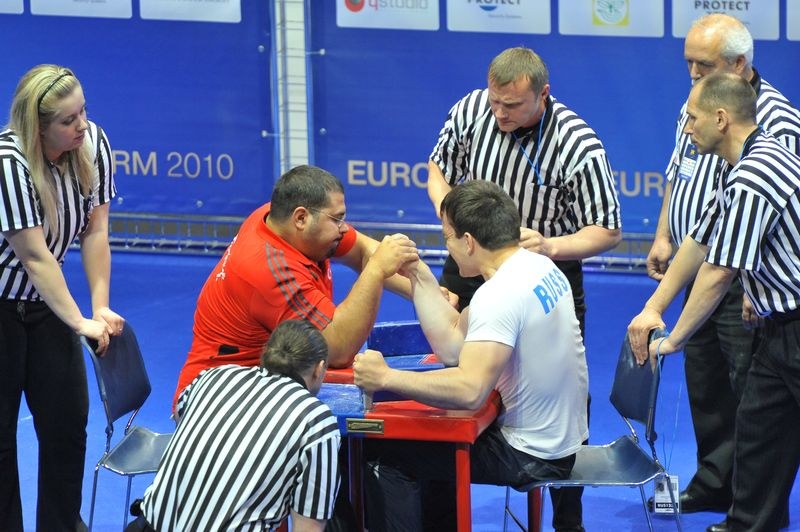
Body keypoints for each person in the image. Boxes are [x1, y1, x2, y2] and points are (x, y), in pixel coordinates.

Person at [427, 46, 619, 531]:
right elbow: (437, 169)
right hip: (473, 256)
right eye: (495, 102)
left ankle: (566, 516)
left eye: (511, 106)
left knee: (556, 383)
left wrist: (551, 246)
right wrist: (456, 221)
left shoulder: (578, 145)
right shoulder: (471, 109)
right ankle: (467, 450)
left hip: (544, 267)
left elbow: (608, 229)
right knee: (459, 354)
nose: (499, 113)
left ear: (543, 94)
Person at [354, 180, 589, 531]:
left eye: (448, 237)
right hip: (562, 441)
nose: (447, 247)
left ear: (468, 241)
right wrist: (417, 273)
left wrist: (386, 377)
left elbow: (469, 390)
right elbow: (452, 343)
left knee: (386, 455)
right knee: (428, 443)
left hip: (532, 455)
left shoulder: (500, 295)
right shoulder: (536, 267)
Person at [628, 72, 800, 532]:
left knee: (765, 428)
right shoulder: (736, 165)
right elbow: (699, 241)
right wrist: (654, 309)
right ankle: (749, 525)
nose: (686, 128)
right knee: (760, 429)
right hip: (777, 324)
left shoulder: (755, 175)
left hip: (796, 326)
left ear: (721, 119)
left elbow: (719, 271)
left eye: (693, 118)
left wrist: (674, 338)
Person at [172, 164, 419, 408]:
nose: (344, 228)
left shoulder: (279, 219)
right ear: (301, 218)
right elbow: (338, 349)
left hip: (259, 383)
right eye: (337, 219)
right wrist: (375, 271)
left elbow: (363, 250)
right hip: (213, 400)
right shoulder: (270, 270)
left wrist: (427, 292)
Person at [0, 65, 122, 532]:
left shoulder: (92, 144)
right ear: (39, 127)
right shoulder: (9, 165)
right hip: (3, 306)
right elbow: (35, 258)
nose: (82, 125)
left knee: (67, 428)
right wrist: (79, 323)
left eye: (83, 111)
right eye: (68, 120)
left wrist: (100, 307)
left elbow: (96, 232)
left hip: (48, 306)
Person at [131, 319, 339, 531]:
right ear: (319, 369)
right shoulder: (317, 420)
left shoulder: (214, 375)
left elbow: (180, 416)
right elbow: (308, 527)